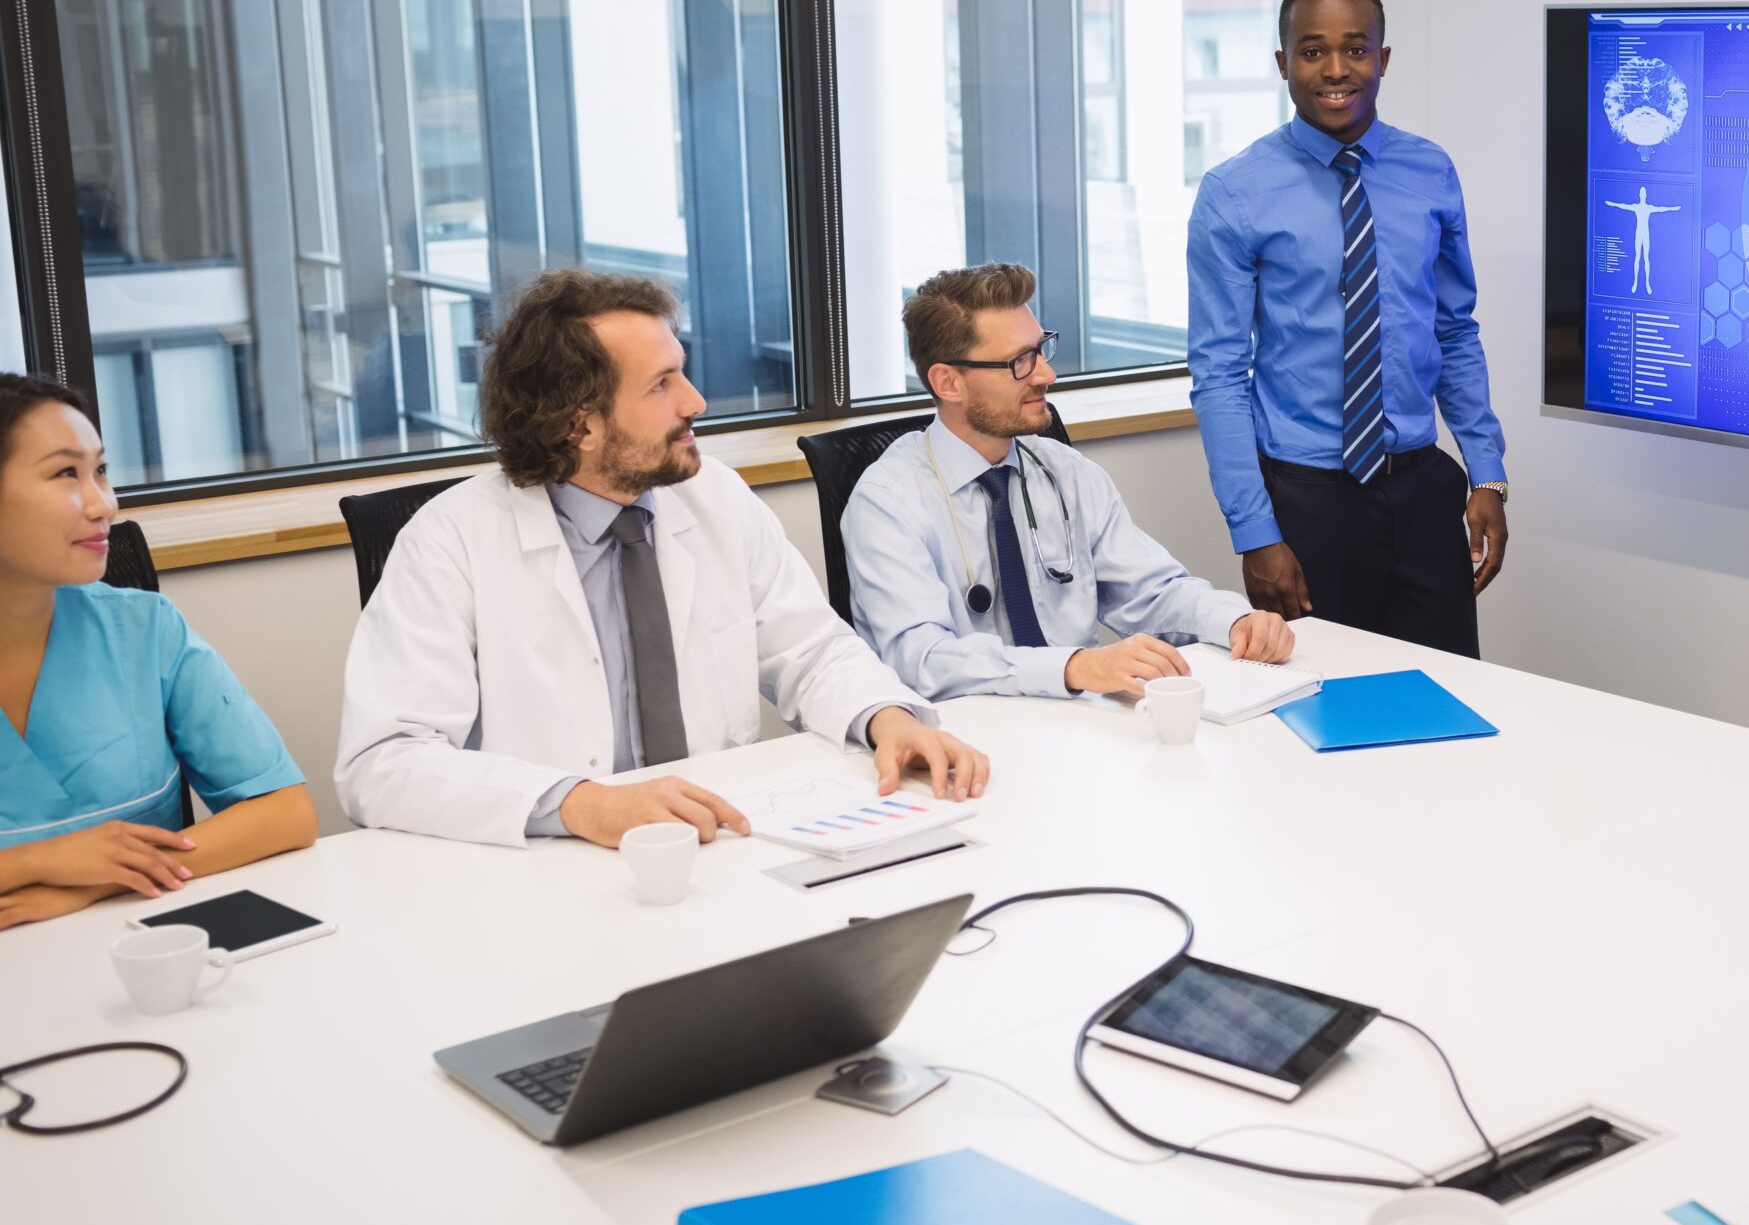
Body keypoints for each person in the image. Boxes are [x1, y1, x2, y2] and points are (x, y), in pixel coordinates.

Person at [336, 270, 986, 850]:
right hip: (549, 868)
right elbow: (383, 761)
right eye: (661, 385)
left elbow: (812, 651)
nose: (695, 401)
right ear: (578, 424)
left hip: (720, 843)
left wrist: (887, 718)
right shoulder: (449, 542)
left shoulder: (715, 499)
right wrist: (578, 801)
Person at [1187, 0, 1509, 659]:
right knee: (1318, 711)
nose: (1336, 69)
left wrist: (1486, 470)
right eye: (1312, 51)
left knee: (1444, 705)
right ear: (1282, 63)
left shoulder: (1431, 170)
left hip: (1423, 492)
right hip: (1308, 505)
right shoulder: (1234, 193)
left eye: (1356, 49)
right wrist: (1256, 533)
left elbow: (1453, 329)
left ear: (1383, 58)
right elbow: (1218, 374)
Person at [846, 264, 1294, 700]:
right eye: (1020, 362)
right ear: (948, 382)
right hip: (961, 744)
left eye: (1041, 350)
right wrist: (1074, 667)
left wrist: (1235, 621)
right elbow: (920, 660)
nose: (1046, 374)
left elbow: (1152, 591)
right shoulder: (887, 502)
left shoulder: (1065, 471)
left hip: (1079, 731)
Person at [0, 375, 315, 930]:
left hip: (144, 957)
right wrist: (35, 862)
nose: (105, 506)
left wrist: (102, 881)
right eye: (64, 473)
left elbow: (285, 813)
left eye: (100, 470)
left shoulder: (143, 630)